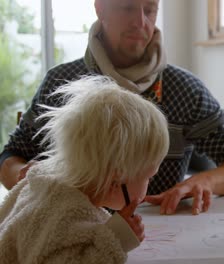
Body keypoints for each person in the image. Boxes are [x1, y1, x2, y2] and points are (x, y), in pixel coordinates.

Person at [0, 0, 224, 215]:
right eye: (127, 7)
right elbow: (9, 157)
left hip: (160, 241)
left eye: (150, 9)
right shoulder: (60, 83)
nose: (140, 22)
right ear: (100, 8)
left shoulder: (184, 89)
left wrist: (205, 182)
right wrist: (28, 178)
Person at [0, 76, 170, 263]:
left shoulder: (46, 184)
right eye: (149, 177)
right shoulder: (67, 217)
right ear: (117, 175)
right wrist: (118, 240)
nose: (148, 187)